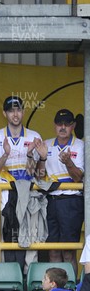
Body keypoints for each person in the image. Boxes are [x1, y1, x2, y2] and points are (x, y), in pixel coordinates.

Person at [0, 95, 44, 269]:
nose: (15, 114)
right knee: (4, 237)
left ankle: (29, 278)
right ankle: (5, 275)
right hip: (5, 195)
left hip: (27, 193)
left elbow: (34, 172)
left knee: (31, 236)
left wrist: (31, 154)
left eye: (18, 110)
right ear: (4, 113)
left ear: (23, 111)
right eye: (11, 110)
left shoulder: (34, 136)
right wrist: (5, 154)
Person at [43, 109, 84, 277]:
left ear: (73, 126)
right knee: (53, 250)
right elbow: (37, 175)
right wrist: (40, 158)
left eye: (67, 124)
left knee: (68, 251)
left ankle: (71, 289)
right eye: (59, 124)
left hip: (71, 201)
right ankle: (54, 289)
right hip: (50, 200)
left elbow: (77, 177)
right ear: (54, 125)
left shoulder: (81, 145)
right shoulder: (46, 144)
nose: (63, 127)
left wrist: (68, 163)